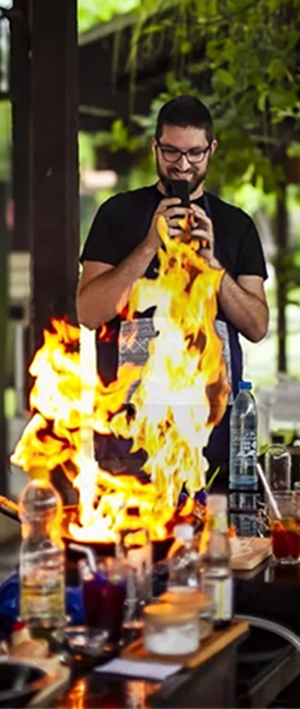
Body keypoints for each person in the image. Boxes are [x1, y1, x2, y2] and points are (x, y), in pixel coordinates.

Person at [77, 95, 269, 482]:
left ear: (211, 149)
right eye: (171, 152)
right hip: (130, 431)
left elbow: (256, 326)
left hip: (213, 430)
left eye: (195, 154)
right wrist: (150, 243)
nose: (183, 166)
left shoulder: (237, 226)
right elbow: (88, 313)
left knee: (216, 537)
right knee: (134, 541)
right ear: (155, 146)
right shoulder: (116, 214)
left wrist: (214, 266)